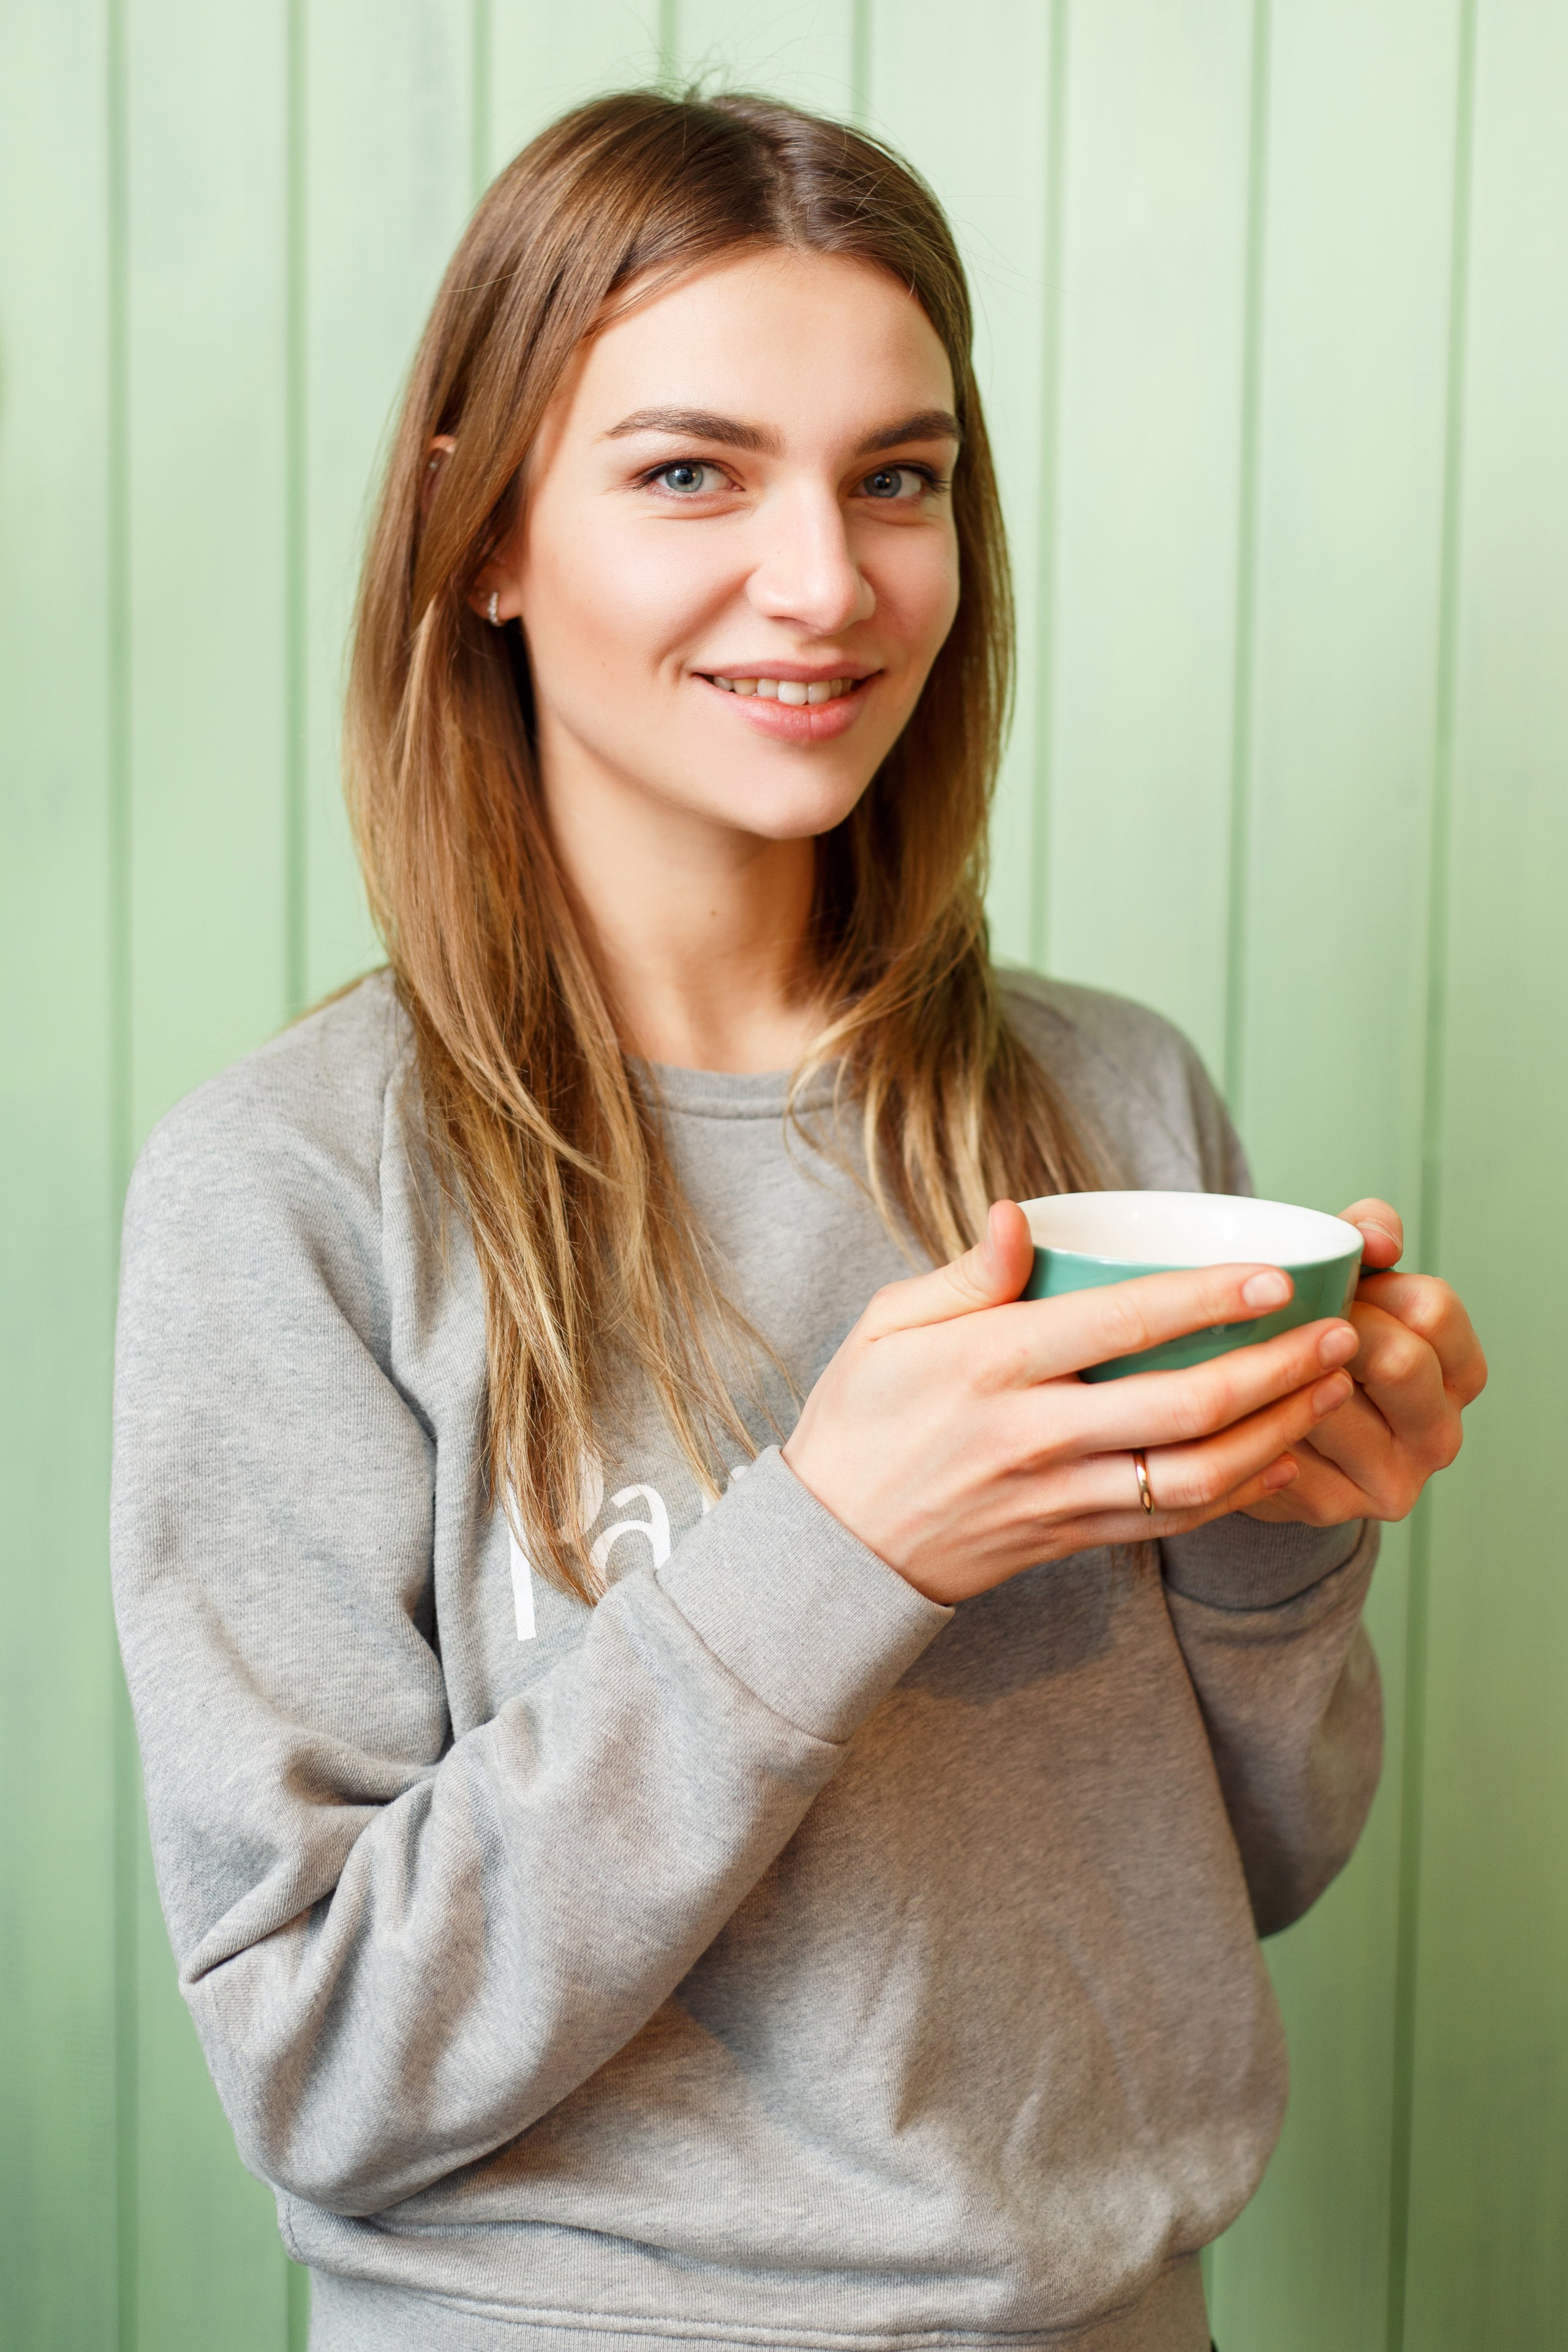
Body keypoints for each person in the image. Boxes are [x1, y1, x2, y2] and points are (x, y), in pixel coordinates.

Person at [111, 89, 1486, 2352]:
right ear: (486, 533)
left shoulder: (1113, 1101)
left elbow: (1258, 1865)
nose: (830, 582)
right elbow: (323, 2062)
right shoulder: (292, 1190)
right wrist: (842, 1540)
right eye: (688, 472)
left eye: (898, 478)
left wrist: (1280, 1538)